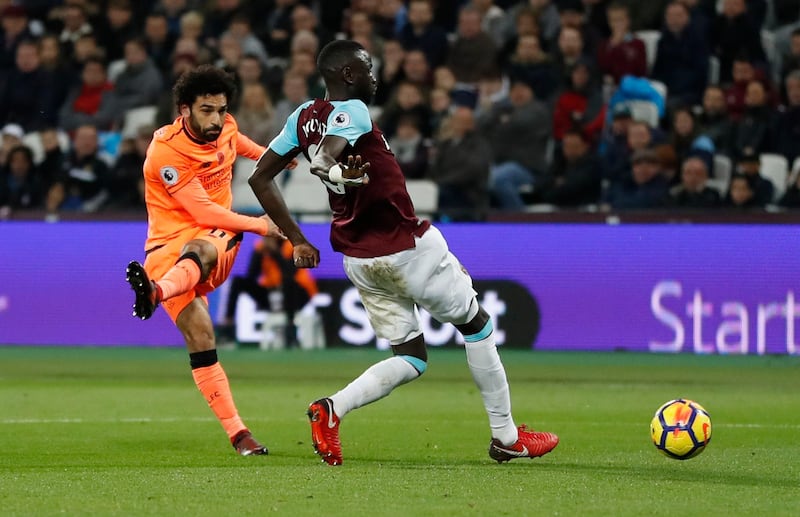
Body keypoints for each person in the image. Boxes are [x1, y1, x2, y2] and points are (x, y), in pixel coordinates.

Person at [249, 39, 559, 466]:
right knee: (477, 325)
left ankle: (332, 409)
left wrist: (297, 238)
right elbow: (324, 162)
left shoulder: (301, 117)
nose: (374, 77)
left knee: (411, 356)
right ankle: (506, 436)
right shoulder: (354, 109)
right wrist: (338, 171)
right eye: (368, 68)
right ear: (348, 75)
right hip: (406, 247)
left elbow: (259, 179)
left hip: (359, 260)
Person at [124, 65, 319, 456]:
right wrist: (263, 226)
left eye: (221, 109)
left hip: (211, 245)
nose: (216, 119)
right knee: (202, 337)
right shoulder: (166, 150)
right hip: (169, 249)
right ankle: (239, 435)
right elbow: (206, 212)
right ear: (184, 110)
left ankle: (156, 291)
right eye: (206, 110)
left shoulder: (225, 124)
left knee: (206, 243)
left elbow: (237, 142)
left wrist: (269, 156)